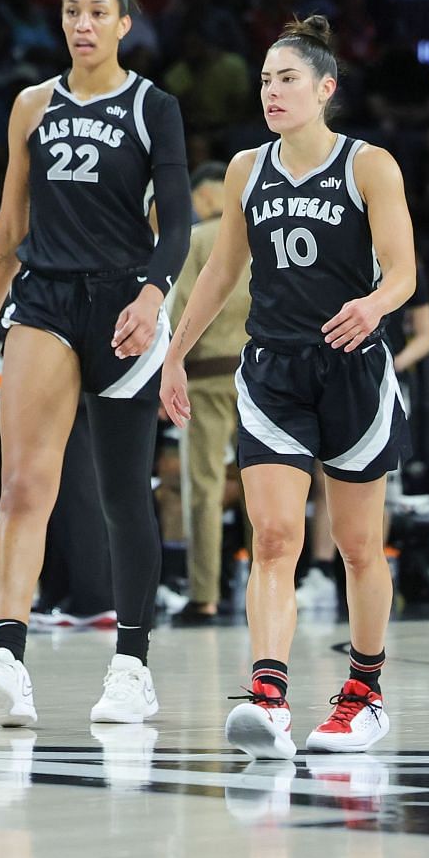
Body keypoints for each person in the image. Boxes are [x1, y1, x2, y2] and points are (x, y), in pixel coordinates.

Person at [161, 15, 418, 759]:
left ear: (325, 88)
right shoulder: (246, 168)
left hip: (352, 367)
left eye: (288, 79)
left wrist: (375, 303)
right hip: (272, 370)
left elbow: (403, 269)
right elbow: (220, 271)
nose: (272, 91)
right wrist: (174, 352)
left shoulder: (370, 165)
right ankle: (268, 696)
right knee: (272, 536)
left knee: (359, 546)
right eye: (266, 80)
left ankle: (363, 695)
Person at [0, 0, 189, 729]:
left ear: (125, 23)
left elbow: (181, 223)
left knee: (125, 493)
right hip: (46, 298)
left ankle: (131, 665)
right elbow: (6, 228)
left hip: (125, 299)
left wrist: (154, 293)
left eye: (98, 11)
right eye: (71, 11)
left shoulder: (153, 105)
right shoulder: (32, 103)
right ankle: (7, 659)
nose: (82, 23)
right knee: (24, 482)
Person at [167, 161, 249, 623]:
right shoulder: (260, 234)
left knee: (204, 485)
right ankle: (269, 584)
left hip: (207, 374)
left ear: (201, 198)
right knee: (264, 486)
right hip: (260, 374)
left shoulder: (197, 240)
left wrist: (170, 365)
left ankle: (205, 595)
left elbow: (179, 308)